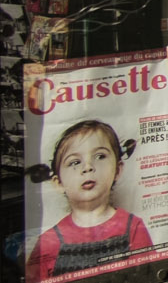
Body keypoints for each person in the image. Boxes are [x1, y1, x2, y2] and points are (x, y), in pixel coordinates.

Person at [29, 120, 154, 280]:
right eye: (75, 162)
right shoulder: (47, 242)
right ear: (58, 183)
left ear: (117, 170)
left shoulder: (133, 228)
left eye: (100, 156)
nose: (88, 167)